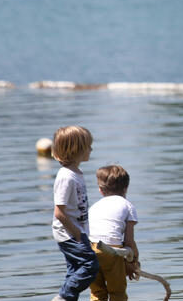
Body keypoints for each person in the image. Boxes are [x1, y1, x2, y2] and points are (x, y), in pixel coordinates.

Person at [51, 126, 100, 301]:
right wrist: (77, 233)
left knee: (75, 269)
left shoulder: (75, 173)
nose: (91, 149)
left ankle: (68, 298)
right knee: (90, 265)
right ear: (76, 150)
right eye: (88, 146)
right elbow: (59, 212)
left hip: (76, 231)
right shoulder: (66, 177)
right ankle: (64, 297)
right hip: (69, 233)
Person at [89, 165, 139, 301]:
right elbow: (129, 241)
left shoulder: (94, 207)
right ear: (126, 187)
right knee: (117, 293)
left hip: (90, 250)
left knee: (97, 293)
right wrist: (133, 262)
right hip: (112, 251)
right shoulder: (127, 205)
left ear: (100, 190)